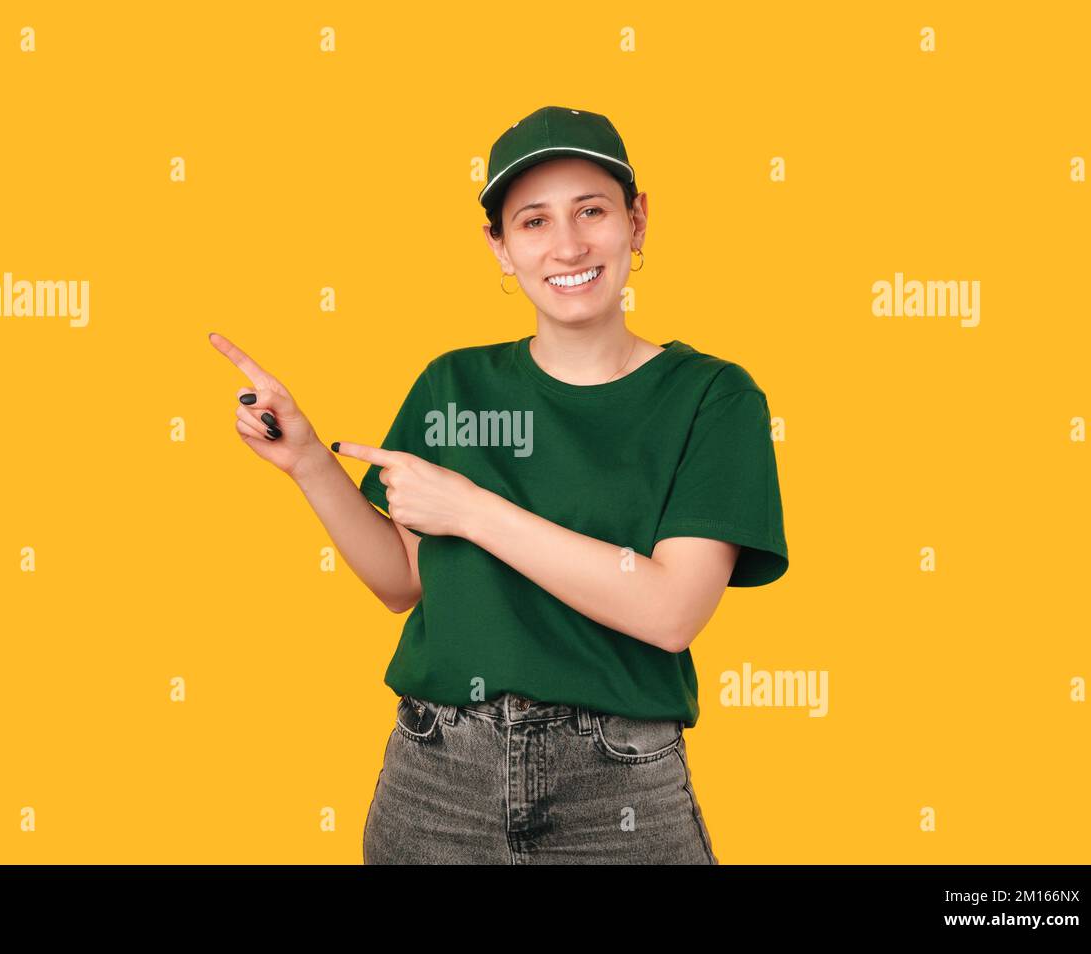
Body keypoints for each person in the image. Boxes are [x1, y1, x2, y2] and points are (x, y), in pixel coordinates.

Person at [209, 105, 788, 864]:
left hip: (618, 792)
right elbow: (402, 582)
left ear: (637, 221)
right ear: (500, 248)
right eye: (533, 222)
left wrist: (477, 511)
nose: (568, 245)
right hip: (436, 780)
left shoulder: (713, 397)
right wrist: (310, 461)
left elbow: (672, 611)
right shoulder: (453, 384)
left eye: (592, 210)